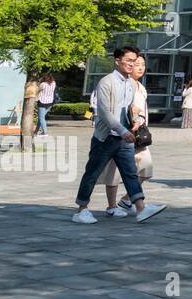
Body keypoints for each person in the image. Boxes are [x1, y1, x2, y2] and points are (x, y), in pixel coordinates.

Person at [71, 46, 166, 224]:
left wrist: (135, 120)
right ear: (117, 60)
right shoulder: (106, 82)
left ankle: (140, 208)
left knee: (130, 173)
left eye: (134, 61)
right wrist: (123, 131)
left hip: (124, 137)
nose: (132, 64)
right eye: (129, 60)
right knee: (92, 172)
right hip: (105, 137)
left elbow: (129, 108)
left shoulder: (130, 84)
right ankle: (81, 209)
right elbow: (105, 113)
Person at [102, 53, 153, 215]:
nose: (140, 67)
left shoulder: (140, 86)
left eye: (142, 64)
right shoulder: (125, 83)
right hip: (123, 132)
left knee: (146, 169)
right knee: (115, 170)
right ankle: (111, 206)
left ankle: (126, 199)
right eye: (136, 63)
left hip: (139, 135)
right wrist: (136, 118)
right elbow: (128, 108)